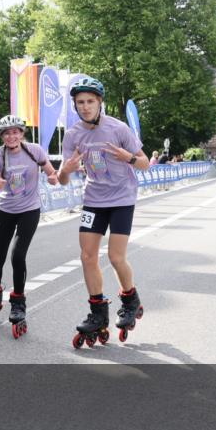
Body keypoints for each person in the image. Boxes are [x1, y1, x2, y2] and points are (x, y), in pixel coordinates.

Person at [56, 78, 150, 348]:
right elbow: (62, 179)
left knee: (115, 256)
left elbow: (144, 164)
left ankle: (131, 299)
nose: (85, 107)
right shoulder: (73, 135)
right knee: (87, 256)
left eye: (90, 102)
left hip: (122, 198)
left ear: (99, 103)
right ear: (75, 106)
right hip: (94, 200)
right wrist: (66, 170)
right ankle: (98, 312)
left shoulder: (118, 128)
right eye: (80, 103)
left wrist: (128, 157)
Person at [0, 114, 59, 339]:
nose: (12, 136)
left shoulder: (34, 150)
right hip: (6, 210)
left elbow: (50, 171)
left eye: (16, 131)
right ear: (2, 136)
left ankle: (18, 302)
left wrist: (53, 177)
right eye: (7, 133)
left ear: (22, 133)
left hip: (29, 210)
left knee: (18, 256)